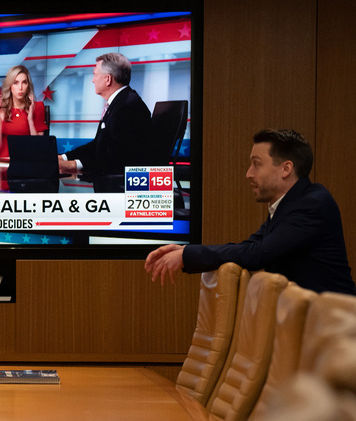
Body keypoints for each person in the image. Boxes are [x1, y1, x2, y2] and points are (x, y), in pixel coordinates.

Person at [145, 129, 356, 295]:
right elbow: (250, 247)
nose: (248, 174)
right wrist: (185, 251)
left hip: (334, 330)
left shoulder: (312, 204)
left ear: (286, 169)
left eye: (256, 165)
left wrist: (187, 255)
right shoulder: (290, 205)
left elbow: (258, 254)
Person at [58, 52, 153, 176]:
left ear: (108, 79)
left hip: (122, 184)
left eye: (95, 75)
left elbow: (115, 157)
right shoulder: (120, 102)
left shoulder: (126, 107)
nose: (92, 80)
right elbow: (98, 145)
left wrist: (73, 164)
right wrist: (64, 157)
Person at [0, 65, 48, 158]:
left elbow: (38, 146)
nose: (20, 87)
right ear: (10, 85)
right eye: (16, 83)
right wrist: (0, 123)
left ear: (28, 85)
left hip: (28, 161)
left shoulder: (38, 107)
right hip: (4, 162)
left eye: (24, 82)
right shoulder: (0, 108)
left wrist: (30, 120)